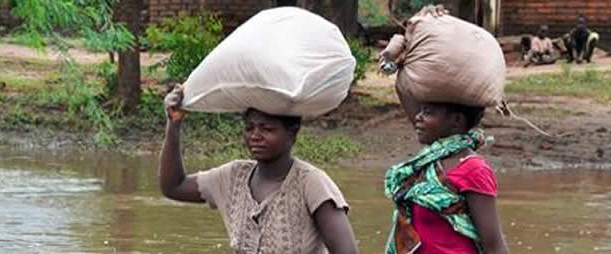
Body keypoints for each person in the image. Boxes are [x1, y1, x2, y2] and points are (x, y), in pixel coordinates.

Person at [158, 86, 359, 254]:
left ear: (292, 134)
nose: (255, 136)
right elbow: (174, 187)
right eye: (249, 128)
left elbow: (346, 251)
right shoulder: (233, 176)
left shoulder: (311, 182)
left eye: (267, 129)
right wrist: (174, 124)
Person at [384, 102, 509, 254]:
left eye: (428, 112)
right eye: (420, 111)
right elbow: (406, 90)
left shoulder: (474, 169)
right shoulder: (427, 162)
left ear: (456, 120)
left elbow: (494, 244)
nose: (418, 117)